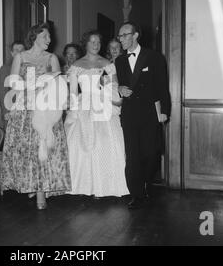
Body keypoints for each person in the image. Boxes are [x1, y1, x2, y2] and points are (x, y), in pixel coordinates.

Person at [0, 23, 71, 210]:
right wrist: (28, 89)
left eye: (49, 37)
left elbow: (59, 85)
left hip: (46, 108)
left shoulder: (52, 58)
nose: (49, 40)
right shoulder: (20, 57)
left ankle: (41, 193)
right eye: (45, 36)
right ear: (35, 37)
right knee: (29, 151)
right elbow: (13, 84)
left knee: (43, 148)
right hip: (25, 107)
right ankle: (31, 185)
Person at [64, 30, 129, 198]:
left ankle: (106, 186)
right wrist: (72, 112)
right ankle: (83, 185)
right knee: (80, 144)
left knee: (107, 142)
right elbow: (72, 92)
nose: (96, 45)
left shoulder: (107, 63)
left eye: (98, 42)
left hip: (103, 105)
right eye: (92, 42)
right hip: (83, 105)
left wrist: (106, 88)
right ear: (85, 44)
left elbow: (115, 87)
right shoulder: (76, 65)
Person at [115, 21, 170, 209]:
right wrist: (120, 89)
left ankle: (146, 182)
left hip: (149, 113)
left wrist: (164, 111)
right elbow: (119, 85)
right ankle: (136, 193)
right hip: (129, 114)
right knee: (132, 156)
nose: (121, 39)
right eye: (119, 36)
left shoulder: (154, 57)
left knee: (151, 153)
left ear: (136, 35)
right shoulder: (120, 61)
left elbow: (162, 87)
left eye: (124, 35)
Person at [0, 41, 25, 128]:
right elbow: (3, 91)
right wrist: (6, 111)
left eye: (21, 50)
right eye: (16, 50)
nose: (19, 52)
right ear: (12, 53)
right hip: (12, 109)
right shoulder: (6, 69)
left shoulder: (29, 69)